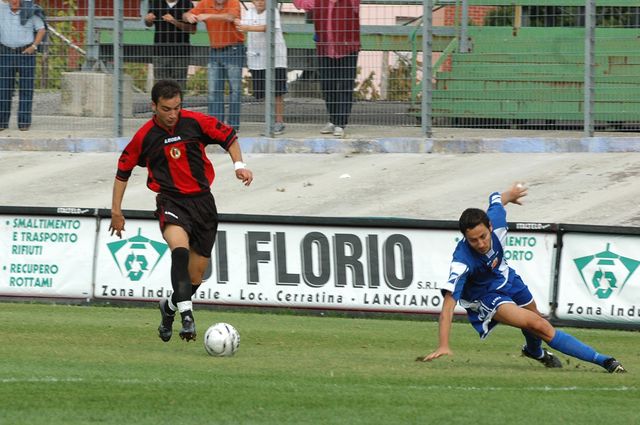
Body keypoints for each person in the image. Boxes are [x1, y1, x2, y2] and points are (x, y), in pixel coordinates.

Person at [417, 183, 626, 373]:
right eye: (473, 241)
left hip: (507, 278)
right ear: (465, 238)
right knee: (539, 324)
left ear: (490, 227)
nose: (480, 243)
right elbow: (447, 306)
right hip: (486, 296)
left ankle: (534, 352)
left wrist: (512, 194)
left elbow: (496, 198)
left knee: (535, 321)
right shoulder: (462, 262)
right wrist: (444, 345)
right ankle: (606, 361)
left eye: (483, 237)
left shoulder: (497, 222)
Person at [109, 79, 253, 343]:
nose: (172, 114)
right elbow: (123, 171)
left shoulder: (195, 122)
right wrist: (116, 211)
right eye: (166, 109)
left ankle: (170, 307)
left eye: (176, 107)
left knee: (196, 274)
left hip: (203, 204)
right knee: (179, 250)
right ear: (154, 107)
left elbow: (229, 136)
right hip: (171, 202)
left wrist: (239, 165)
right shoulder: (144, 136)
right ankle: (187, 316)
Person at [292, 0, 360, 138]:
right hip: (325, 48)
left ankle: (340, 123)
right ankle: (333, 119)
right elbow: (301, 3)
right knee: (327, 86)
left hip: (347, 47)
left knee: (345, 86)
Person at [184, 0, 245, 132]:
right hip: (215, 50)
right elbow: (187, 15)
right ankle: (215, 125)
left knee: (235, 90)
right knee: (214, 90)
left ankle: (233, 126)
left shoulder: (234, 3)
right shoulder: (205, 3)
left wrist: (207, 16)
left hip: (234, 48)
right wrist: (189, 16)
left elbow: (231, 17)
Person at [235, 0, 288, 136]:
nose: (259, 2)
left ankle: (279, 122)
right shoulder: (249, 13)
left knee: (277, 92)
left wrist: (247, 28)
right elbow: (241, 27)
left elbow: (268, 27)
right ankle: (269, 122)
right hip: (257, 58)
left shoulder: (273, 11)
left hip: (276, 58)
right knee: (263, 93)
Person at [0, 0, 47, 131]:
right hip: (5, 52)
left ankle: (24, 123)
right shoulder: (1, 10)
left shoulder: (30, 11)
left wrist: (34, 46)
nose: (14, 1)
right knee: (3, 88)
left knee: (26, 89)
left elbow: (41, 29)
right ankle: (2, 123)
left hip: (26, 53)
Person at [144, 0, 197, 90]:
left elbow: (192, 30)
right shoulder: (156, 3)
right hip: (160, 52)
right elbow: (149, 24)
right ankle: (162, 104)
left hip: (181, 53)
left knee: (178, 87)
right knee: (160, 87)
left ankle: (177, 104)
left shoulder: (187, 4)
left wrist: (174, 21)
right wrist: (147, 20)